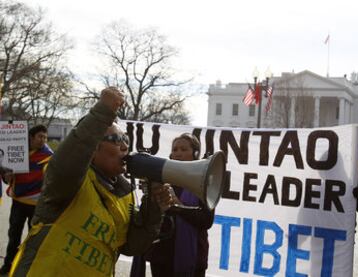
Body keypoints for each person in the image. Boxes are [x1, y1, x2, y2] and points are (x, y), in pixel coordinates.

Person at [9, 87, 173, 276]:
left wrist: (153, 208)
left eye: (126, 139)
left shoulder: (124, 195)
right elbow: (72, 155)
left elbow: (131, 246)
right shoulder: (69, 182)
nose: (125, 146)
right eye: (117, 139)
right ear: (92, 148)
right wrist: (102, 112)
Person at [131, 133, 215, 277]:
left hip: (193, 259)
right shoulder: (162, 178)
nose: (178, 153)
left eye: (184, 149)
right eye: (175, 149)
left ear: (195, 153)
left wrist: (177, 205)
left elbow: (206, 220)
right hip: (162, 257)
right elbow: (150, 218)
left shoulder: (204, 182)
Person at [0, 125, 53, 275]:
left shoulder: (49, 156)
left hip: (37, 204)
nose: (43, 140)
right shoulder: (16, 151)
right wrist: (7, 177)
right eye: (40, 137)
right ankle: (8, 264)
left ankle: (29, 268)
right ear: (31, 137)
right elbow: (5, 173)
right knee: (14, 236)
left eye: (45, 137)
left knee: (33, 239)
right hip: (18, 202)